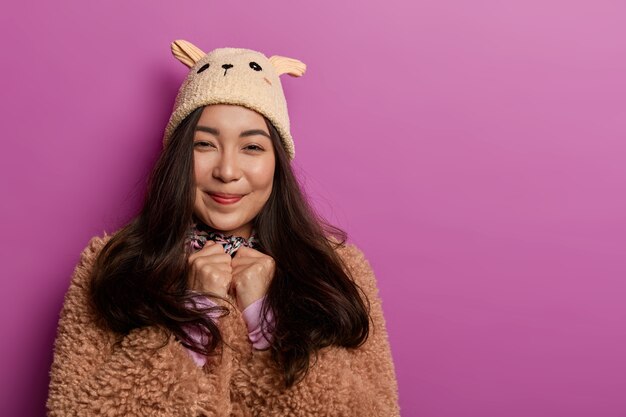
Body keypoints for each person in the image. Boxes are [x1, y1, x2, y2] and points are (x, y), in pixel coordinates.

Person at [46, 40, 400, 417]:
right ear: (178, 158)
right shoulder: (113, 264)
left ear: (277, 164)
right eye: (204, 144)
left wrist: (267, 322)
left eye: (252, 148)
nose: (227, 171)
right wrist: (193, 320)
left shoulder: (337, 268)